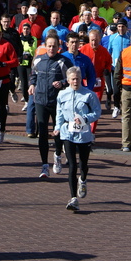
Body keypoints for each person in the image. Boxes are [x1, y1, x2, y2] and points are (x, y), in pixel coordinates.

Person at [54, 67, 101, 211]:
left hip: (84, 134)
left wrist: (85, 118)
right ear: (68, 80)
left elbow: (97, 112)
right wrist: (57, 127)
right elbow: (60, 112)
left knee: (83, 165)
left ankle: (83, 179)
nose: (75, 81)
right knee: (72, 165)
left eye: (78, 79)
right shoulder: (62, 94)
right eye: (73, 79)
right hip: (67, 132)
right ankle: (73, 198)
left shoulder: (89, 95)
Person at [28, 34, 72, 179]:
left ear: (59, 47)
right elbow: (33, 74)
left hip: (57, 102)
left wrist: (63, 83)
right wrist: (32, 84)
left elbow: (72, 77)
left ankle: (58, 154)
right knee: (42, 132)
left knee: (58, 132)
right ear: (45, 46)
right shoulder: (39, 59)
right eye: (49, 46)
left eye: (54, 46)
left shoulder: (63, 61)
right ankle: (44, 165)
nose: (51, 48)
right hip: (40, 100)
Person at [80, 30, 112, 134]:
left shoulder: (104, 51)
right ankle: (83, 128)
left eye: (96, 40)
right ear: (89, 40)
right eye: (92, 40)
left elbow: (109, 62)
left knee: (95, 106)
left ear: (100, 39)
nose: (94, 43)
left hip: (98, 81)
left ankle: (92, 132)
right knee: (84, 105)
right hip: (86, 80)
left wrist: (107, 70)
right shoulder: (83, 49)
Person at [107, 18, 130, 117]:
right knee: (116, 90)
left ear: (126, 27)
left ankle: (125, 111)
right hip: (115, 68)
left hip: (127, 69)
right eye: (119, 26)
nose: (121, 28)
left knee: (125, 91)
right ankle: (116, 106)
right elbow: (109, 52)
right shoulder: (112, 37)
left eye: (122, 27)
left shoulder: (130, 38)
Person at [0, 14, 23, 103]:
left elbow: (19, 46)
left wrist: (19, 56)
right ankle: (3, 103)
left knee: (12, 79)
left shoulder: (14, 32)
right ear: (1, 22)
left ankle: (12, 90)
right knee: (3, 82)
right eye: (4, 22)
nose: (6, 24)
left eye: (8, 21)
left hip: (12, 60)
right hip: (2, 60)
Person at [18, 22, 38, 112]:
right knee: (23, 83)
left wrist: (30, 47)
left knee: (30, 82)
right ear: (22, 30)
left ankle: (30, 100)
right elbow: (18, 49)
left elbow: (34, 52)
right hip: (21, 63)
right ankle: (26, 100)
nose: (26, 31)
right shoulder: (19, 39)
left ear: (30, 30)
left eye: (27, 29)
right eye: (24, 29)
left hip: (30, 63)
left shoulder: (33, 39)